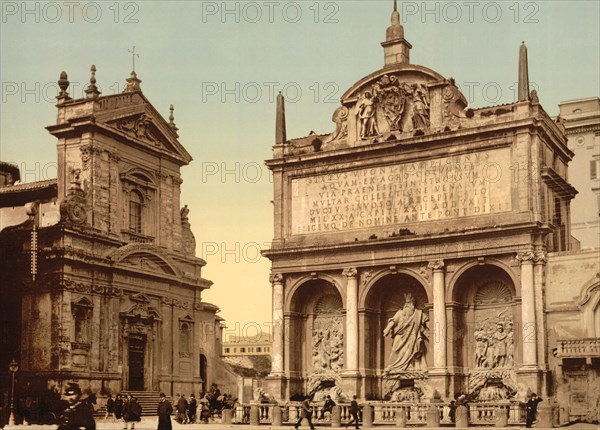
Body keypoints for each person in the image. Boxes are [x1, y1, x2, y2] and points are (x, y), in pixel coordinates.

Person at [383, 293, 429, 373]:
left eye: (409, 303)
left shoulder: (418, 313)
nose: (407, 306)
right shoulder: (400, 313)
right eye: (406, 304)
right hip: (400, 335)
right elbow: (393, 321)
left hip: (413, 335)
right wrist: (387, 328)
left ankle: (415, 365)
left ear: (413, 305)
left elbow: (427, 322)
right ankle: (392, 366)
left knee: (417, 342)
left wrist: (433, 330)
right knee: (395, 349)